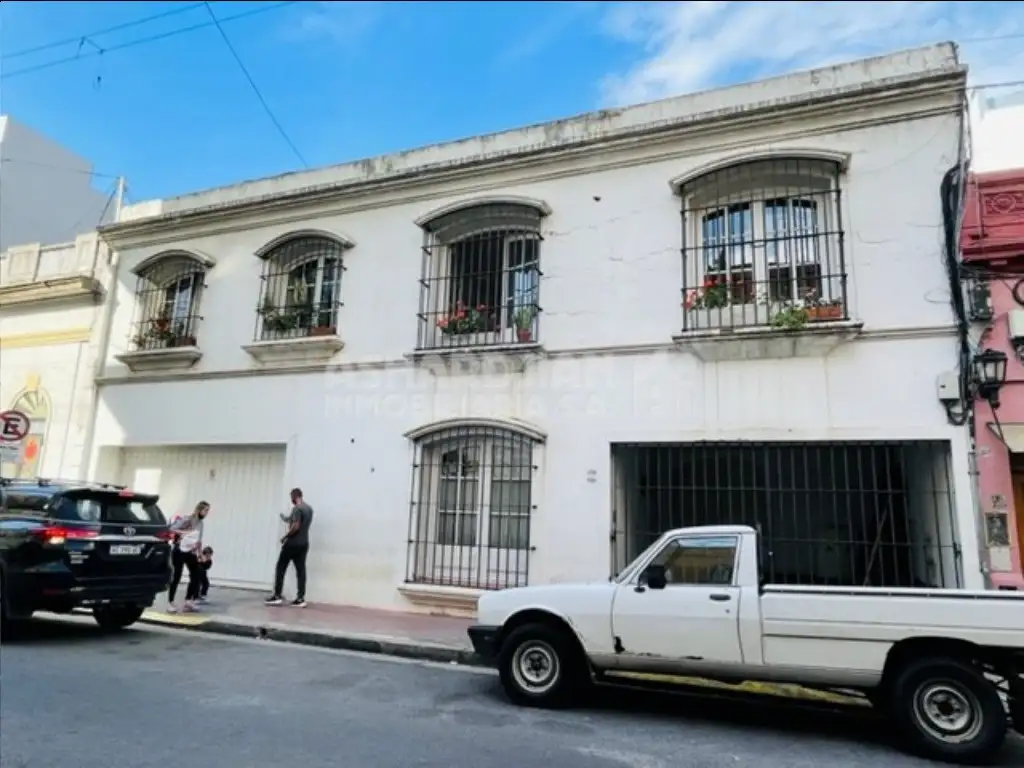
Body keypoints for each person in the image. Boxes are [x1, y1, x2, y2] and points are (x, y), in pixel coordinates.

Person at [265, 488, 313, 607]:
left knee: (281, 567)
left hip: (292, 543)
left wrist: (285, 537)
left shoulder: (297, 509)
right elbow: (296, 521)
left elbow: (296, 526)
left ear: (295, 496)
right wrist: (284, 518)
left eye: (291, 497)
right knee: (301, 570)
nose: (291, 500)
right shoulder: (309, 509)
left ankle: (277, 595)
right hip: (304, 543)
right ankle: (301, 598)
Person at [167, 501, 209, 613]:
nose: (206, 513)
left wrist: (200, 555)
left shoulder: (201, 524)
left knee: (196, 573)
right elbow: (171, 528)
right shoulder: (187, 519)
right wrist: (183, 533)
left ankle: (188, 601)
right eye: (205, 510)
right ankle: (170, 602)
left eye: (207, 511)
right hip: (179, 550)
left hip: (190, 552)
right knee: (177, 576)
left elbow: (198, 540)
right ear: (199, 510)